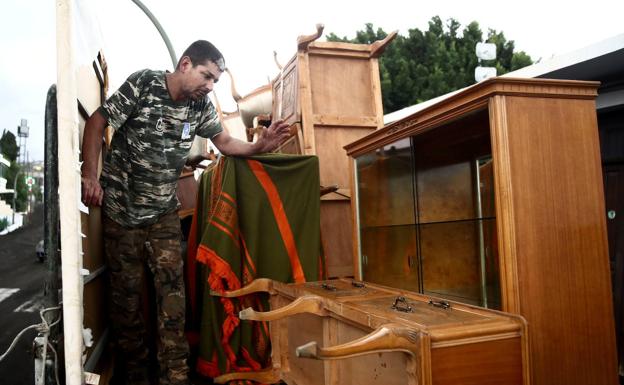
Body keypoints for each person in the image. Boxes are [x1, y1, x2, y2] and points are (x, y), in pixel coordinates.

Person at [81, 40, 290, 385]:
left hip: (162, 214)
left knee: (173, 302)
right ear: (185, 64)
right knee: (126, 305)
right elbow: (96, 122)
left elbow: (224, 142)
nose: (209, 86)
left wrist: (257, 147)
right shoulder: (144, 83)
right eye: (206, 76)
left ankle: (175, 377)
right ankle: (135, 377)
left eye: (215, 82)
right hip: (121, 212)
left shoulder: (200, 106)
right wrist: (90, 175)